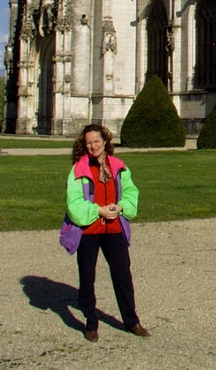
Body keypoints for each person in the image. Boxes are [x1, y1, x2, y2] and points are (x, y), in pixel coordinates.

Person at [65, 124, 149, 342]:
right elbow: (74, 203)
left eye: (96, 141)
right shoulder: (78, 169)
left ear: (105, 142)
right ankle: (91, 323)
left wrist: (121, 207)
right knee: (87, 277)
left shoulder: (119, 167)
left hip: (113, 228)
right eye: (89, 143)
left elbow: (131, 191)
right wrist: (98, 210)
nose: (93, 146)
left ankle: (131, 321)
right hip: (89, 230)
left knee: (122, 274)